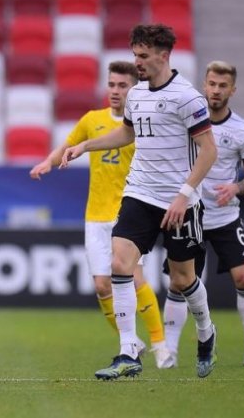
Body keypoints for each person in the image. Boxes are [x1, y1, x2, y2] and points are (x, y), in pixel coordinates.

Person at [60, 24, 219, 380]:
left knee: (181, 280)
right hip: (140, 193)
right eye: (135, 55)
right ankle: (128, 350)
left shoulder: (187, 98)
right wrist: (86, 145)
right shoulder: (136, 94)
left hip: (179, 200)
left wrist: (185, 195)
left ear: (164, 56)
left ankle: (206, 330)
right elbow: (127, 133)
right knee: (120, 262)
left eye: (143, 56)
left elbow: (209, 151)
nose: (138, 62)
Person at [30, 61, 170, 368]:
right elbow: (67, 146)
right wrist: (47, 163)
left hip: (129, 212)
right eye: (112, 85)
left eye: (122, 85)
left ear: (134, 88)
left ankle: (160, 345)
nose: (116, 91)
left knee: (134, 277)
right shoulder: (92, 120)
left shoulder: (143, 125)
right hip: (95, 216)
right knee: (102, 286)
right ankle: (130, 342)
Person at [161, 61, 244, 368]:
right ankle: (170, 351)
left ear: (232, 90)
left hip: (224, 217)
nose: (216, 91)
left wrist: (236, 187)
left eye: (222, 86)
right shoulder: (187, 122)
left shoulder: (242, 130)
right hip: (190, 215)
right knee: (179, 283)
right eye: (212, 84)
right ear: (204, 85)